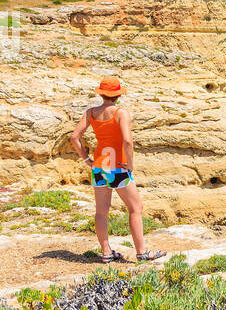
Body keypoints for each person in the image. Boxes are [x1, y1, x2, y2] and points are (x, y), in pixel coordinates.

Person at [69, 76, 165, 262]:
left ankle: (106, 253)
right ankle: (142, 252)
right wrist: (130, 164)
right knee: (135, 208)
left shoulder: (91, 113)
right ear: (118, 94)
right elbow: (128, 141)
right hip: (118, 168)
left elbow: (75, 137)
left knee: (101, 212)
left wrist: (86, 158)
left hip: (99, 167)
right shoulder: (121, 113)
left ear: (102, 93)